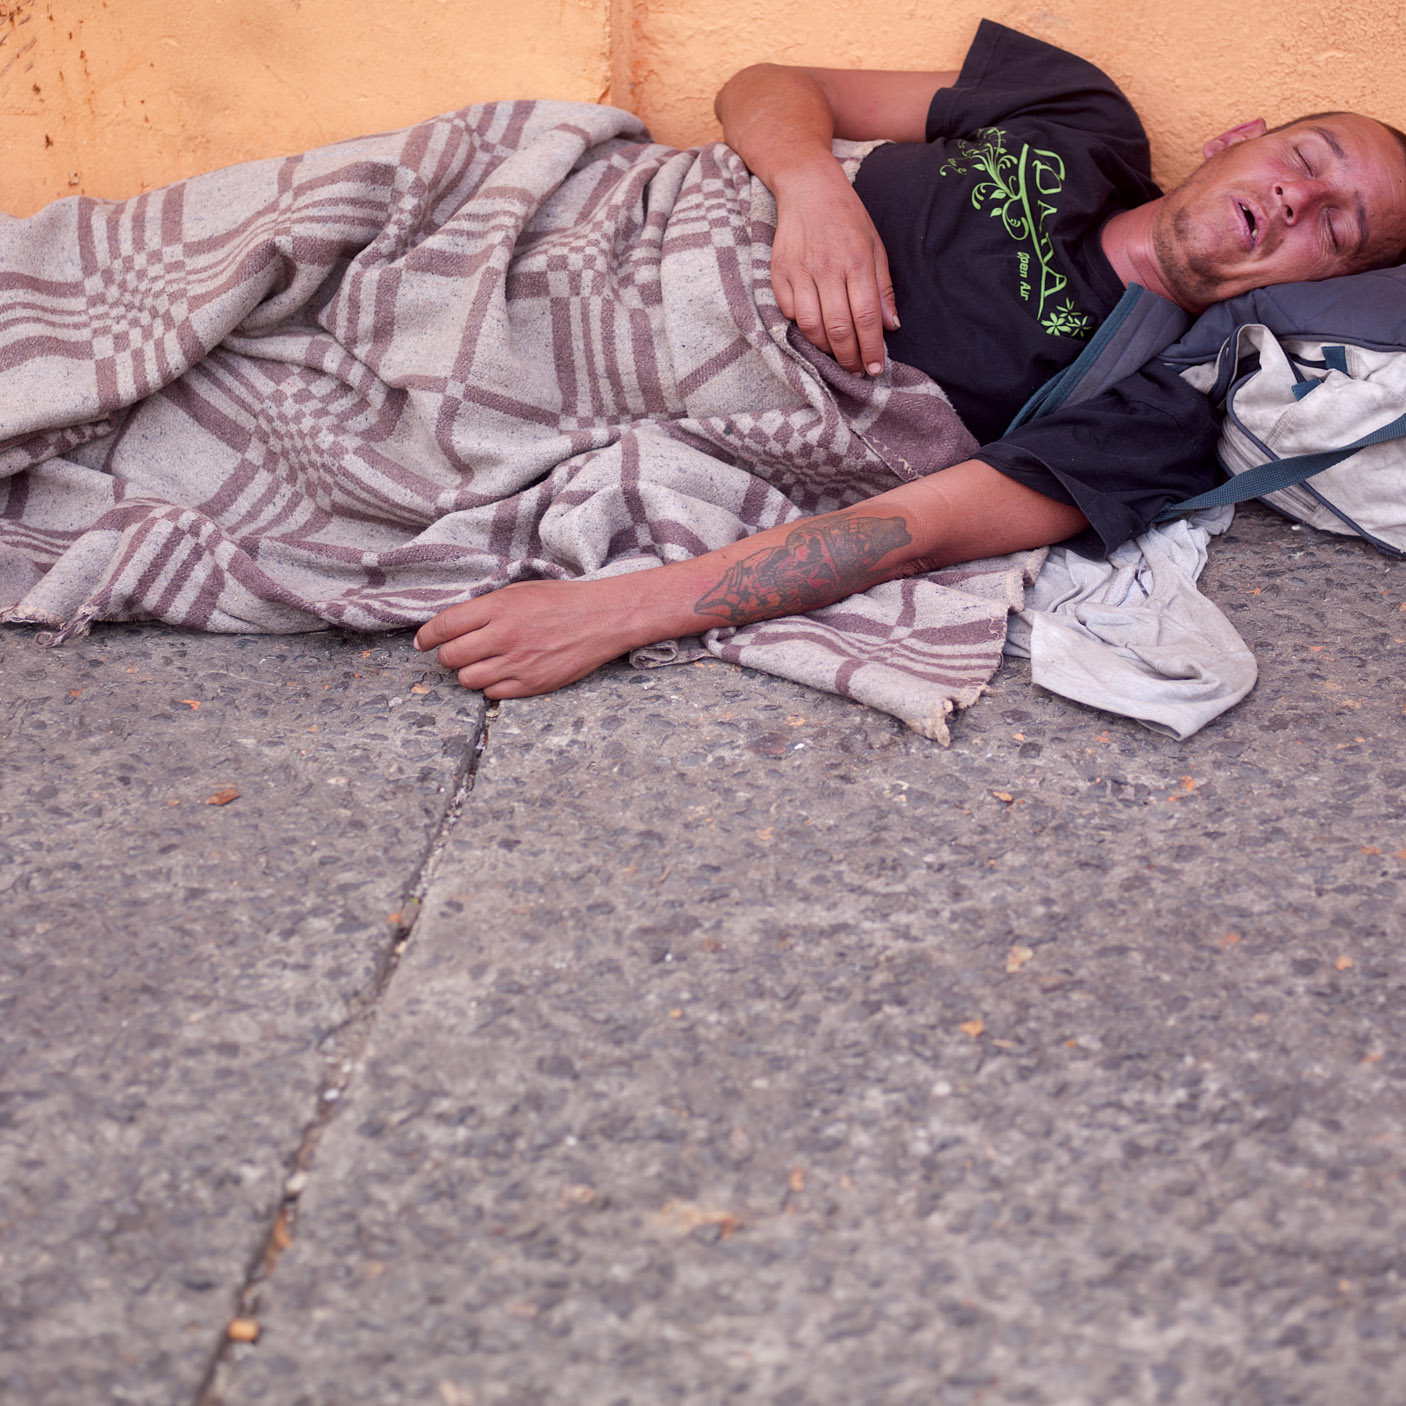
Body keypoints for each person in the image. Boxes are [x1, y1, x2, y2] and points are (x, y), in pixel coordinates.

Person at [415, 20, 1406, 699]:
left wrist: (610, 614)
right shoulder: (1082, 118)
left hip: (611, 368)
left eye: (1336, 227)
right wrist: (811, 190)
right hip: (591, 211)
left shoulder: (1158, 408)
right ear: (1238, 139)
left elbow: (907, 533)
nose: (1297, 199)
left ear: (1325, 286)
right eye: (1304, 160)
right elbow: (768, 85)